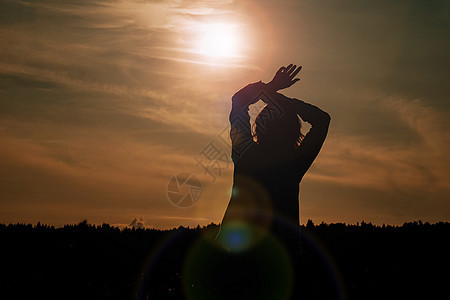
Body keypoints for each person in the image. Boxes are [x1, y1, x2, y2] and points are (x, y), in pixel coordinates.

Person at [215, 64, 330, 297]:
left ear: (259, 128)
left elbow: (238, 102)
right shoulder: (293, 164)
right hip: (281, 269)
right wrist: (282, 100)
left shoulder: (246, 155)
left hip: (233, 262)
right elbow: (322, 120)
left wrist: (270, 89)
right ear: (294, 133)